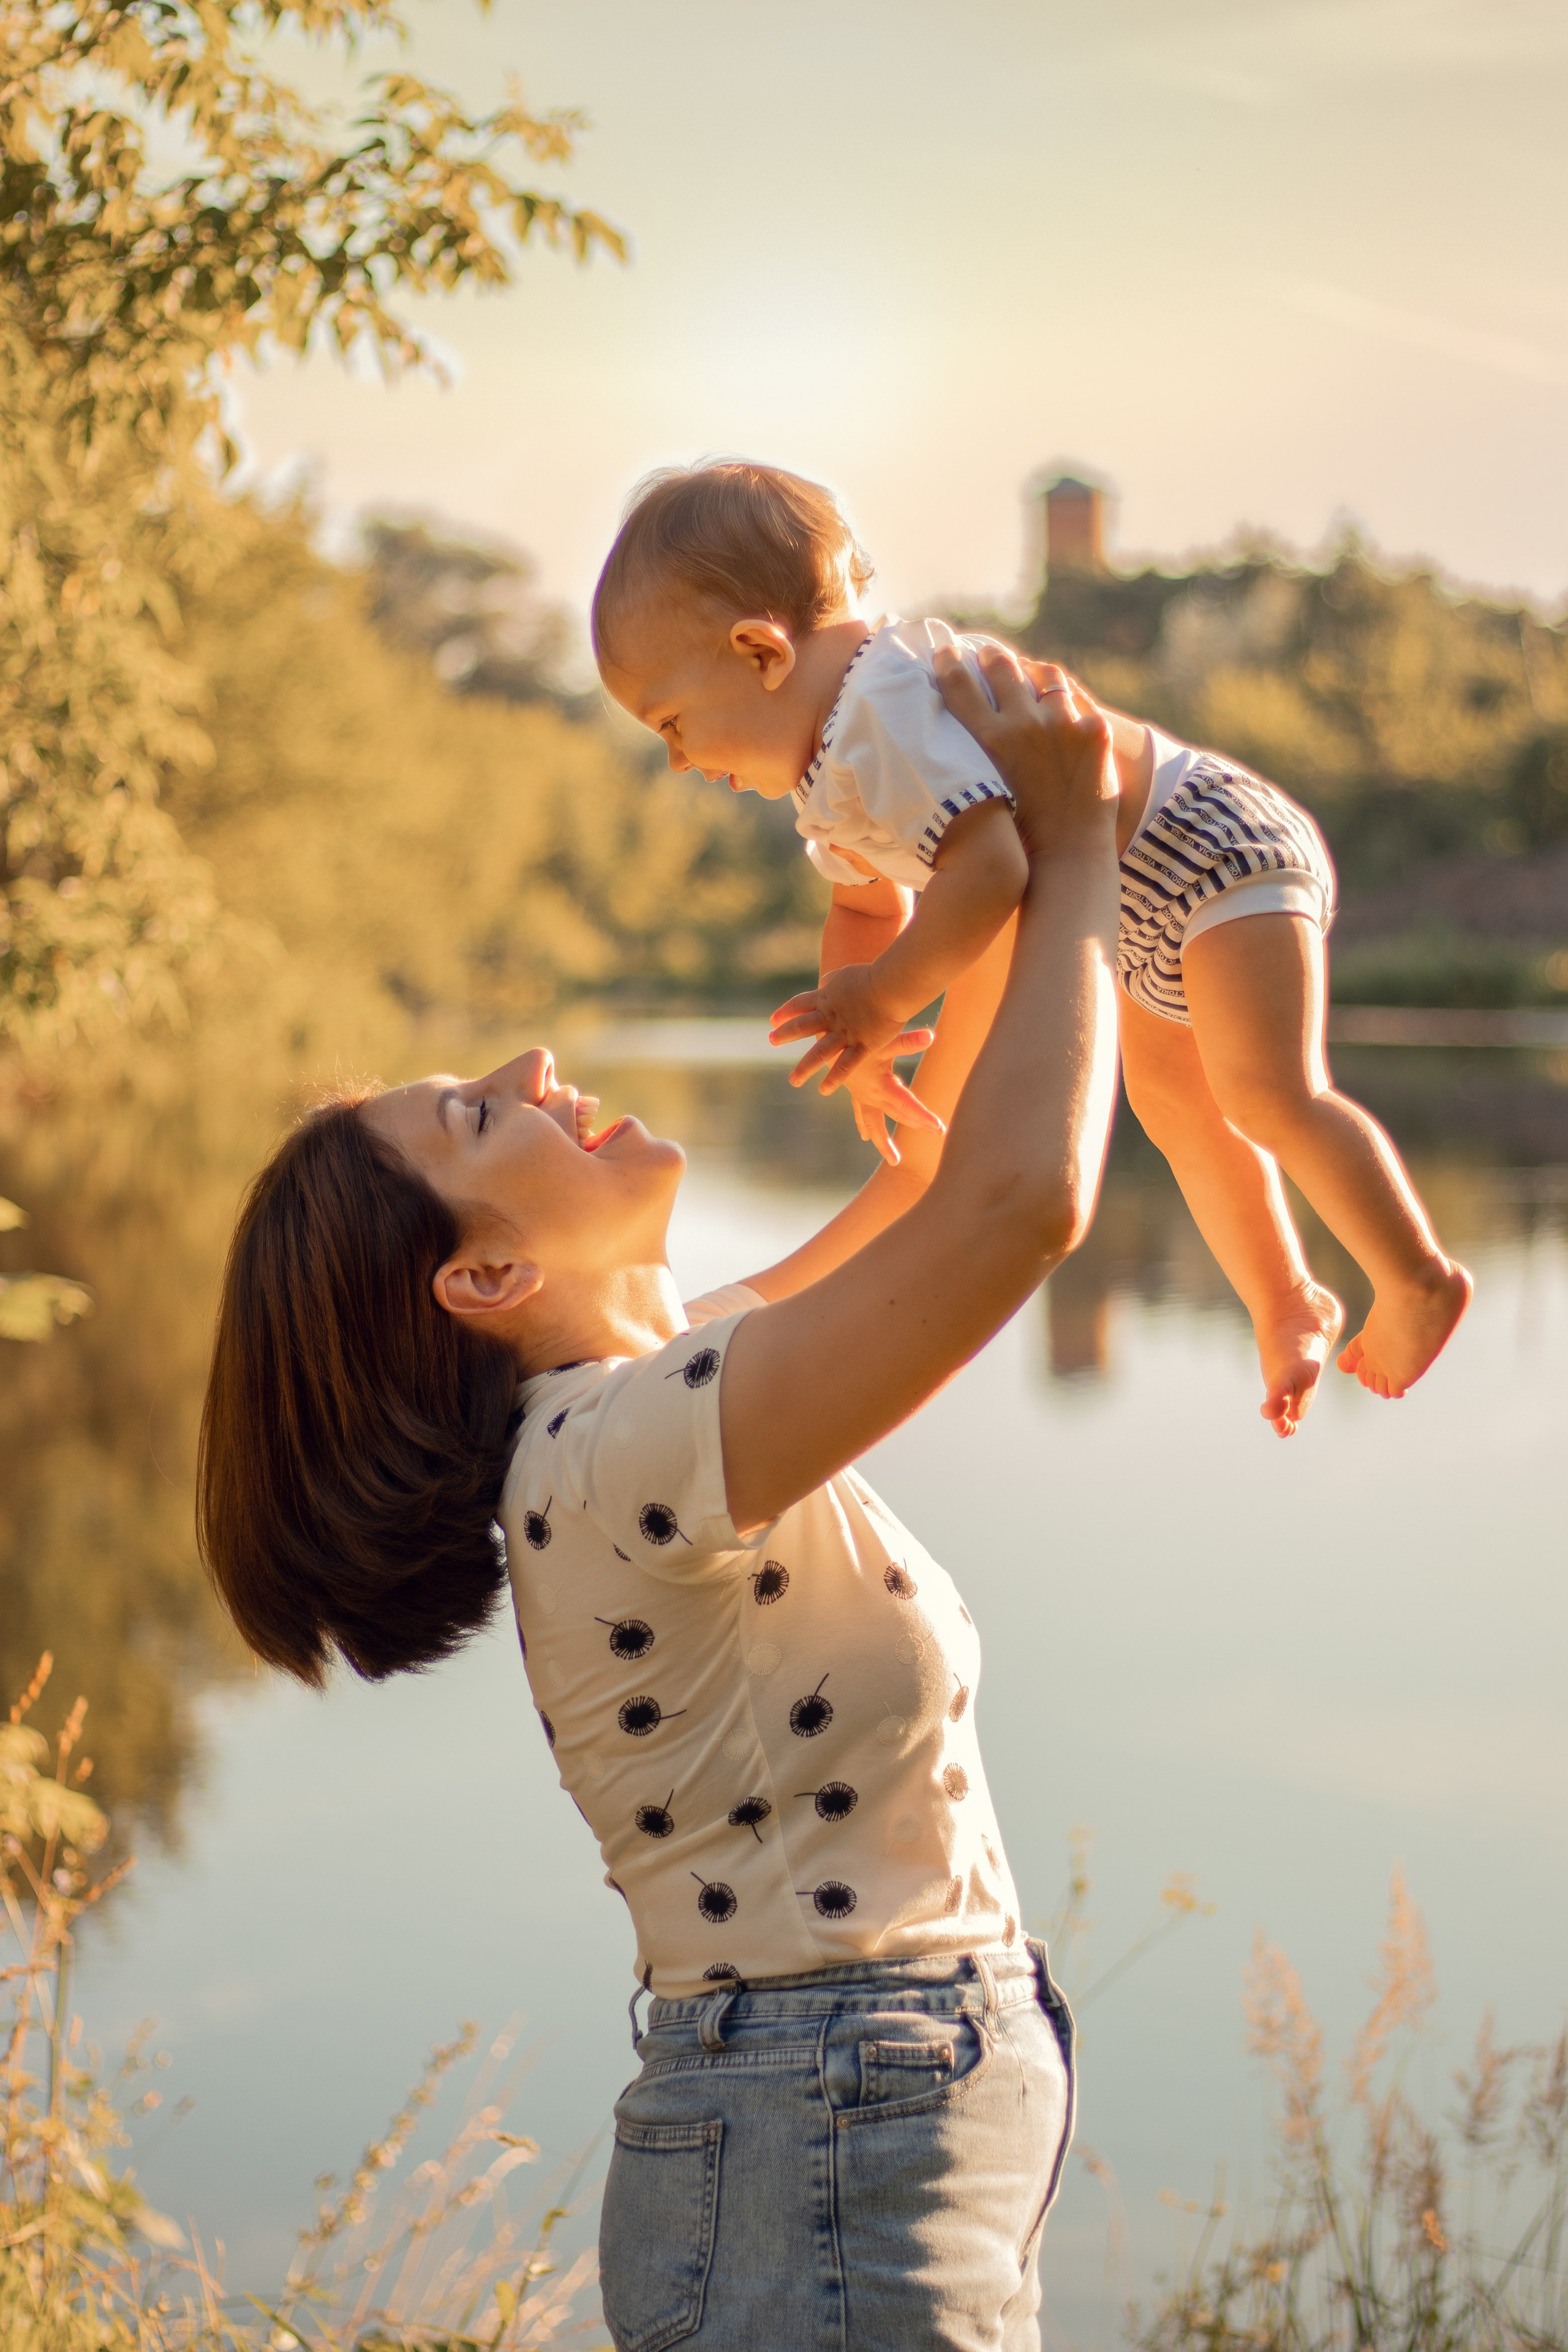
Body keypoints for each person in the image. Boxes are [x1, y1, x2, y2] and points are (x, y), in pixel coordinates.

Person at [198, 649, 1120, 2351]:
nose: (542, 1061)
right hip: (832, 2129)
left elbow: (930, 1203)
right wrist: (1075, 858)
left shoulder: (628, 1420)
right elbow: (1021, 1216)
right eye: (485, 1114)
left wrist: (933, 917)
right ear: (479, 1280)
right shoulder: (627, 1455)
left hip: (845, 2121)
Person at [592, 460, 1472, 1434]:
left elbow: (992, 873)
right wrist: (865, 1030)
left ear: (761, 651)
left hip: (1203, 845)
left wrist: (881, 1002)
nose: (679, 760)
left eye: (675, 723)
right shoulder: (830, 773)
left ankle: (1416, 1275)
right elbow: (869, 913)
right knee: (1181, 1110)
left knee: (1265, 1092)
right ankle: (1286, 1300)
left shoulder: (886, 708)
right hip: (1127, 905)